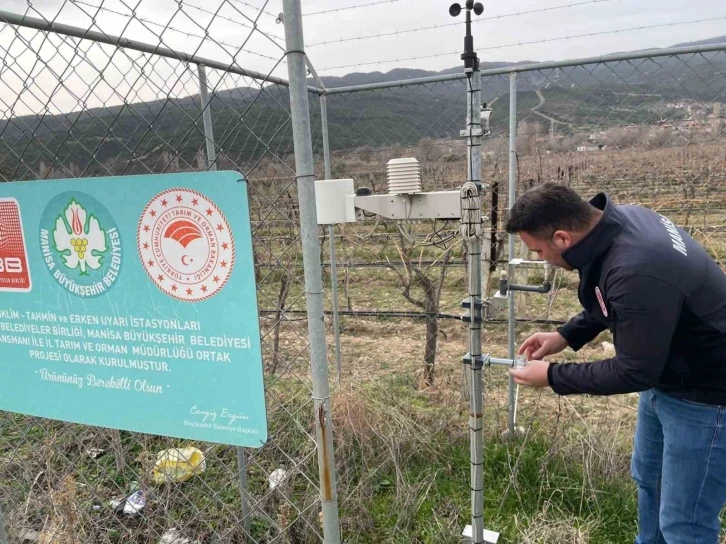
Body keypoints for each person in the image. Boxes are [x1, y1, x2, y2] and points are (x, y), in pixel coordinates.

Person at [504, 182, 726, 544]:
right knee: (649, 482)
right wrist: (566, 336)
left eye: (539, 250)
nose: (540, 258)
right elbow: (612, 295)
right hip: (670, 380)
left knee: (685, 523)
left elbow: (634, 370)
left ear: (562, 238)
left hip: (707, 397)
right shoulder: (623, 222)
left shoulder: (637, 265)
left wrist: (553, 376)